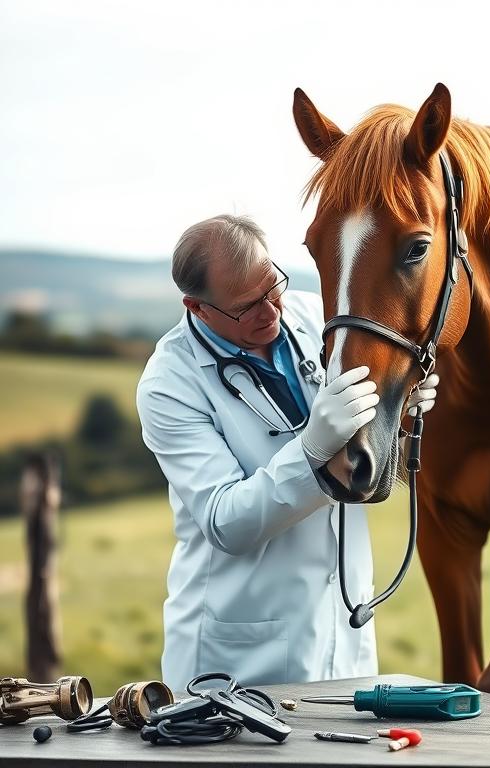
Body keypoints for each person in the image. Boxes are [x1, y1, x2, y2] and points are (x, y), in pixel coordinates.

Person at [136, 214, 438, 691]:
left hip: (344, 630)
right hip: (240, 660)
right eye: (247, 306)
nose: (271, 311)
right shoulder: (169, 383)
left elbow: (358, 462)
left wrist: (397, 421)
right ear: (198, 307)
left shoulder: (313, 318)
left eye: (272, 286)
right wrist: (311, 451)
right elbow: (224, 521)